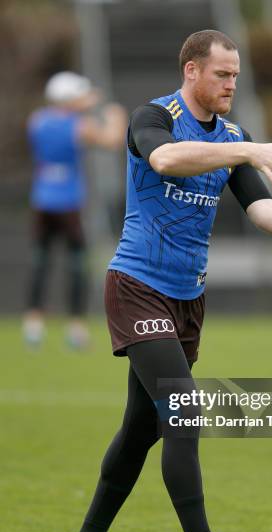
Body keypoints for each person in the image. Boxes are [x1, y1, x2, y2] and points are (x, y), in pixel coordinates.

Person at [60, 30, 272, 532]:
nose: (231, 84)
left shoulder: (234, 137)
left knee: (140, 430)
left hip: (188, 297)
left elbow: (262, 209)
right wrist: (246, 150)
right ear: (191, 70)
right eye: (222, 74)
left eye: (236, 75)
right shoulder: (155, 116)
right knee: (185, 411)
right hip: (137, 284)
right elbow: (165, 158)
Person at [23, 71, 127, 349]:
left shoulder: (37, 121)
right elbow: (112, 140)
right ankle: (76, 328)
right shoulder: (79, 125)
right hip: (68, 203)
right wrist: (114, 114)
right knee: (78, 265)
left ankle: (33, 324)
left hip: (41, 200)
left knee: (40, 262)